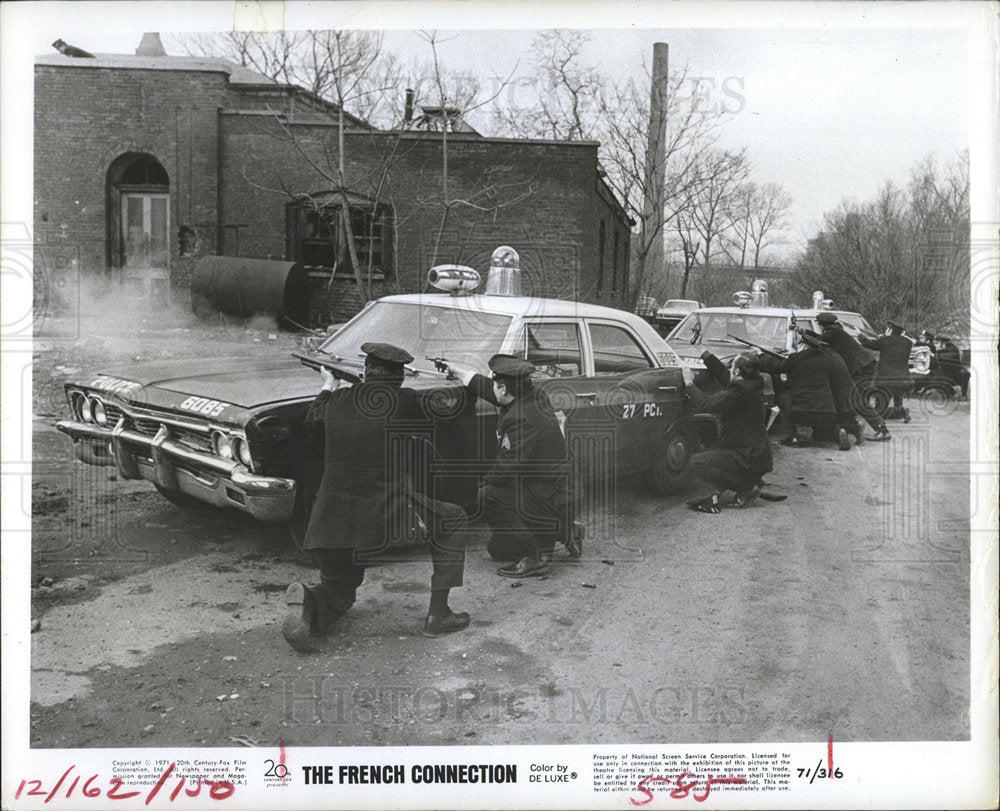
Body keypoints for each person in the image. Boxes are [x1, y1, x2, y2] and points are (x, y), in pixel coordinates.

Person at [283, 343, 471, 652]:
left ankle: (308, 603)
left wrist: (329, 386)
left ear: (366, 371)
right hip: (383, 519)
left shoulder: (338, 400)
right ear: (399, 377)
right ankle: (439, 615)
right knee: (454, 519)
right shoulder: (404, 400)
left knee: (341, 588)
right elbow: (443, 415)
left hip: (326, 524)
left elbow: (314, 418)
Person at [445, 354, 576, 578]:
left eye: (496, 384)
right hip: (555, 488)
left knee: (488, 495)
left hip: (546, 494)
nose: (493, 388)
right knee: (497, 550)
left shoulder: (522, 418)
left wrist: (475, 490)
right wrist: (460, 373)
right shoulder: (533, 395)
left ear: (504, 388)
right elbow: (492, 391)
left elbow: (506, 468)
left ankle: (535, 557)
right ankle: (564, 531)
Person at [684, 351, 774, 513]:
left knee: (697, 461)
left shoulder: (739, 393)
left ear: (738, 371)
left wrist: (689, 383)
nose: (729, 370)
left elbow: (705, 404)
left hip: (748, 456)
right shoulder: (751, 385)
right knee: (714, 453)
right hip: (757, 453)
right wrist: (704, 354)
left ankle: (747, 487)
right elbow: (725, 376)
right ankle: (749, 481)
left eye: (732, 367)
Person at [816, 311, 890, 441]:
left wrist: (803, 333)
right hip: (863, 366)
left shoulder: (831, 332)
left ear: (822, 324)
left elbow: (819, 341)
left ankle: (882, 430)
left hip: (861, 367)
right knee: (849, 397)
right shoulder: (837, 329)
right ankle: (851, 427)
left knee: (857, 399)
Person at [760, 330, 839, 446]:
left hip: (801, 412)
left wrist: (760, 354)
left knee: (782, 399)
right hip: (827, 412)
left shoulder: (796, 358)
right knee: (820, 435)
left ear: (804, 344)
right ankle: (838, 432)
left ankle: (793, 437)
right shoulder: (827, 359)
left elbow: (774, 367)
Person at [803, 329, 861, 450]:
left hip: (835, 394)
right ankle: (855, 428)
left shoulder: (819, 357)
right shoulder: (832, 353)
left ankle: (838, 432)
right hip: (846, 390)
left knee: (821, 428)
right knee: (844, 415)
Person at [860, 320, 913, 422]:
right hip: (903, 378)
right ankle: (901, 411)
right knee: (898, 394)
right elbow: (891, 344)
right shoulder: (908, 343)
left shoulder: (885, 340)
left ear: (889, 330)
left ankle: (881, 420)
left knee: (879, 407)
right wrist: (884, 337)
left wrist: (861, 337)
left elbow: (868, 344)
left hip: (886, 379)